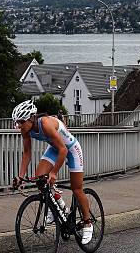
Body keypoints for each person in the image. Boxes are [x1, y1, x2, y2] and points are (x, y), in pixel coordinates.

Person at [11, 100, 93, 244]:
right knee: (39, 179)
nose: (18, 125)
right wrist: (20, 176)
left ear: (31, 118)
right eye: (17, 122)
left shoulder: (45, 124)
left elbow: (64, 150)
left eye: (21, 122)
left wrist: (54, 173)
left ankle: (87, 223)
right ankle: (58, 205)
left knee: (77, 188)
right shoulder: (26, 130)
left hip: (71, 149)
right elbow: (27, 153)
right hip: (55, 148)